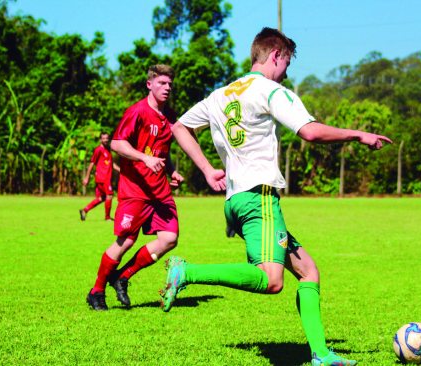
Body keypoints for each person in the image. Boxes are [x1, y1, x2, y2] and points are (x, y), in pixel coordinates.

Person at [161, 27, 392, 366]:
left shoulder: (220, 94)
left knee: (308, 271)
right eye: (287, 64)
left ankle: (321, 354)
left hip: (236, 201)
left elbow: (178, 126)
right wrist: (358, 134)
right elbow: (310, 132)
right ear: (276, 56)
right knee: (271, 280)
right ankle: (188, 273)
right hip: (260, 199)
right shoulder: (271, 91)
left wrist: (209, 170)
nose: (287, 72)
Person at [86, 64, 184, 311]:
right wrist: (144, 158)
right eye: (162, 83)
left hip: (160, 190)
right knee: (126, 242)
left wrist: (171, 170)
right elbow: (118, 144)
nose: (167, 88)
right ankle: (96, 291)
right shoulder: (137, 112)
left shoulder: (169, 117)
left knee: (169, 238)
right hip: (135, 190)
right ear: (149, 84)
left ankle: (123, 276)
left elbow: (163, 152)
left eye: (170, 84)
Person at [79, 132, 120, 221]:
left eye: (107, 138)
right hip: (103, 177)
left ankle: (85, 210)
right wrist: (87, 177)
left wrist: (121, 170)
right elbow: (92, 163)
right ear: (100, 140)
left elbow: (111, 164)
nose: (106, 140)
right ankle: (107, 217)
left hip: (106, 177)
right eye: (104, 138)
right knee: (109, 196)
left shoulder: (108, 149)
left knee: (102, 198)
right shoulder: (98, 150)